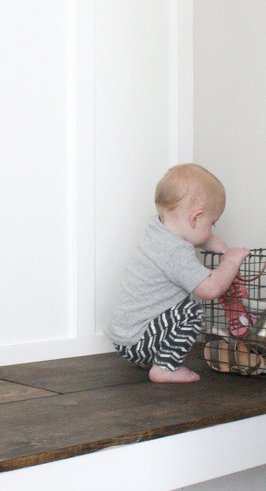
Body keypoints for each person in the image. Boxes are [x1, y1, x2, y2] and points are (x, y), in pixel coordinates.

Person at [105, 164, 250, 383]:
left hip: (125, 337)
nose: (211, 230)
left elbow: (202, 237)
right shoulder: (175, 252)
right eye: (212, 224)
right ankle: (165, 368)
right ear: (195, 218)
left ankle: (150, 356)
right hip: (137, 340)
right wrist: (230, 261)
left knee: (174, 310)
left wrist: (223, 251)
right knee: (191, 312)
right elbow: (210, 289)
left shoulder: (158, 230)